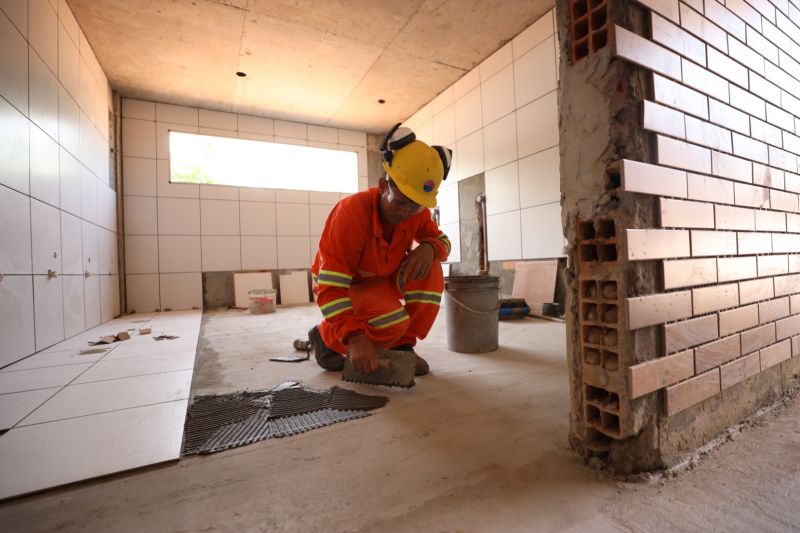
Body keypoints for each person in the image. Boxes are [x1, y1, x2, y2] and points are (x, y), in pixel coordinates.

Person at [308, 124, 452, 376]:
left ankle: (403, 345)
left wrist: (429, 247)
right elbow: (330, 288)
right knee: (390, 321)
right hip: (344, 285)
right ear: (384, 186)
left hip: (377, 280)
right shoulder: (351, 214)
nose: (406, 212)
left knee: (431, 267)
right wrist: (355, 338)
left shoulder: (415, 209)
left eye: (416, 207)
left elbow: (443, 241)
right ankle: (323, 337)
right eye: (401, 203)